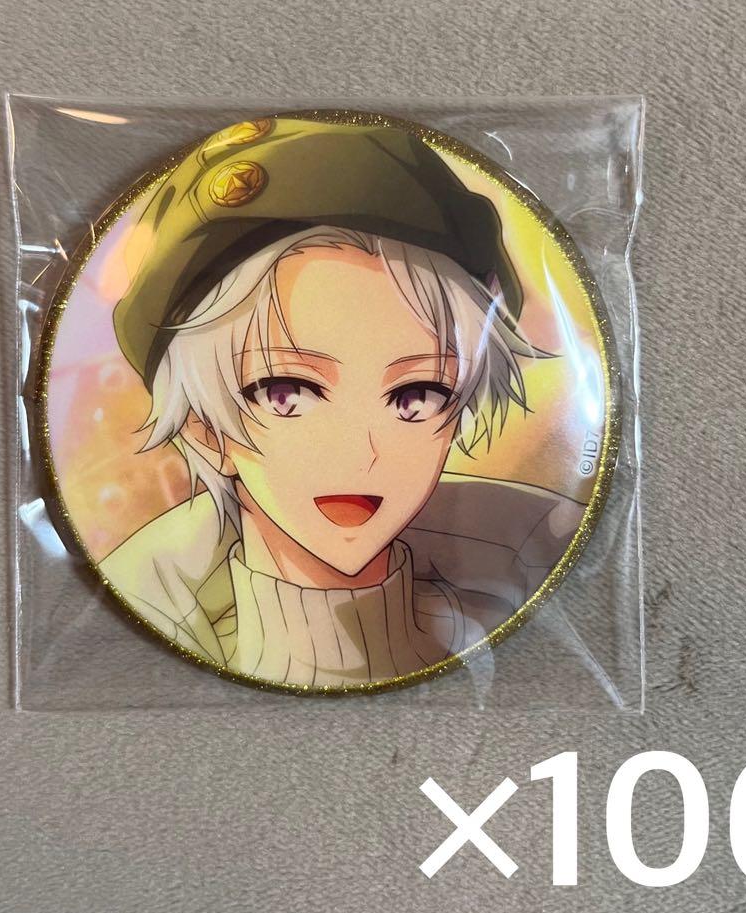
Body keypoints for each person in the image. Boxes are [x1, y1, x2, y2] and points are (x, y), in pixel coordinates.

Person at [99, 115, 585, 688]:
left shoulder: (530, 581)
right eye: (287, 394)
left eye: (416, 396)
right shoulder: (134, 636)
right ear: (205, 430)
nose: (361, 454)